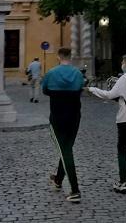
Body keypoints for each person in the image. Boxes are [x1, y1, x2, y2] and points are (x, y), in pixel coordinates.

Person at [88, 54, 126, 199]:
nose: (121, 63)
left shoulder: (124, 79)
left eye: (123, 61)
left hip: (125, 120)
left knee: (122, 150)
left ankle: (122, 183)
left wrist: (93, 90)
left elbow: (109, 95)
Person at [41, 47, 84, 203]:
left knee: (65, 150)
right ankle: (58, 179)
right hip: (74, 116)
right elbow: (80, 89)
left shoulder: (51, 73)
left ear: (59, 56)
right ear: (70, 56)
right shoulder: (78, 73)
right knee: (66, 148)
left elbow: (44, 90)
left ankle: (75, 189)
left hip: (58, 116)